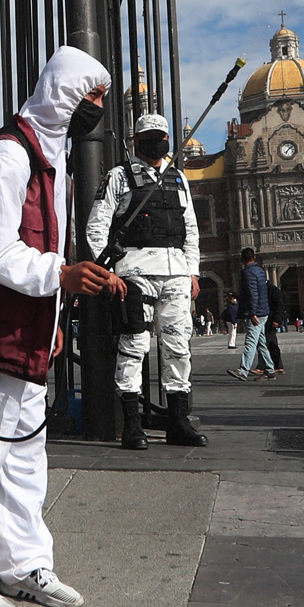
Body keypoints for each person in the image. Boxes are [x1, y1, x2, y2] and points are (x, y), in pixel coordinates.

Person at [0, 46, 121, 607]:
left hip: (23, 338)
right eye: (93, 94)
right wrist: (61, 278)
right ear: (63, 91)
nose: (98, 107)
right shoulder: (6, 158)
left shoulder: (50, 163)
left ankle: (22, 566)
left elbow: (45, 247)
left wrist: (53, 320)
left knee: (21, 463)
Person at [86, 113, 208, 450]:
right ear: (136, 141)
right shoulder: (118, 177)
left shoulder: (178, 178)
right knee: (134, 346)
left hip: (176, 273)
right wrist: (107, 271)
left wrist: (193, 270)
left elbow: (190, 229)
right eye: (151, 136)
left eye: (162, 135)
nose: (158, 141)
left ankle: (178, 422)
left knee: (178, 347)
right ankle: (132, 425)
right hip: (135, 271)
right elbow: (97, 226)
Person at [227, 248, 275, 380]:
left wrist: (252, 313)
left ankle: (243, 370)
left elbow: (253, 294)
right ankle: (270, 369)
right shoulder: (260, 271)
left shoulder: (248, 273)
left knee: (250, 341)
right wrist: (241, 296)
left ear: (242, 260)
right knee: (261, 342)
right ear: (254, 257)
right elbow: (257, 292)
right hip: (263, 310)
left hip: (256, 313)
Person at [264, 276, 287, 377]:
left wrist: (277, 320)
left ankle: (276, 366)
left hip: (271, 320)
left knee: (270, 342)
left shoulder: (273, 290)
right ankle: (274, 366)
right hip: (265, 319)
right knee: (266, 343)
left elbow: (280, 305)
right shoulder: (266, 290)